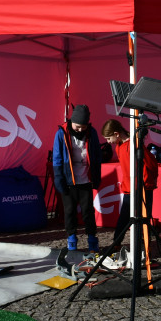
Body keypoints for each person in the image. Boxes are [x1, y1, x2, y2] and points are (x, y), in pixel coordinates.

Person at [52, 104, 102, 253]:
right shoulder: (61, 133)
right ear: (71, 121)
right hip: (69, 180)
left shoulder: (92, 132)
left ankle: (92, 238)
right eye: (77, 126)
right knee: (69, 211)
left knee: (88, 212)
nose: (80, 130)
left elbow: (97, 155)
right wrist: (59, 178)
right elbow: (57, 157)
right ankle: (72, 238)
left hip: (85, 179)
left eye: (83, 127)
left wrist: (96, 176)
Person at [101, 119, 158, 246]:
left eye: (108, 138)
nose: (108, 142)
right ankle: (116, 244)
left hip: (142, 187)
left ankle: (143, 247)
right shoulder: (120, 146)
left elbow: (151, 163)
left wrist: (150, 181)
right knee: (124, 218)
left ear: (116, 134)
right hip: (129, 188)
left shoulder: (134, 144)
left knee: (143, 218)